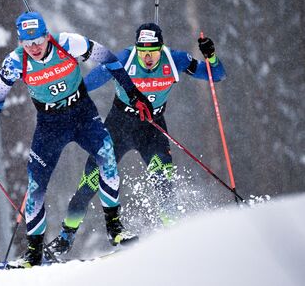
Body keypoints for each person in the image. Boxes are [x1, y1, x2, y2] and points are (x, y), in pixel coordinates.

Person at [0, 11, 152, 268]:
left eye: (37, 41)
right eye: (26, 42)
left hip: (83, 116)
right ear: (20, 42)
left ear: (46, 36)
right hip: (50, 126)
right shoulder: (14, 62)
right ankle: (33, 254)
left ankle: (115, 228)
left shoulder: (69, 43)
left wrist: (134, 94)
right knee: (35, 187)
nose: (33, 47)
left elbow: (110, 60)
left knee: (107, 156)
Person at [47, 22, 226, 256]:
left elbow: (217, 75)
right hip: (118, 127)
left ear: (161, 48)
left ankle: (173, 235)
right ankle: (65, 237)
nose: (148, 57)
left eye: (153, 51)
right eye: (143, 51)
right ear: (136, 49)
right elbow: (88, 83)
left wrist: (211, 56)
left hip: (152, 130)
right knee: (90, 181)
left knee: (163, 180)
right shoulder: (123, 59)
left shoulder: (175, 59)